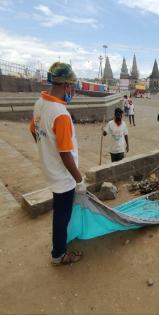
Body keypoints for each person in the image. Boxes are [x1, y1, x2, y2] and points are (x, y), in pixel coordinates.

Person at [29, 62, 85, 266]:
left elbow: (33, 130)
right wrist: (79, 179)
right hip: (63, 176)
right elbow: (65, 154)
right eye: (73, 87)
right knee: (62, 215)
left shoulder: (40, 103)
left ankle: (59, 247)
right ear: (67, 86)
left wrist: (46, 149)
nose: (74, 91)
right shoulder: (61, 114)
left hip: (50, 170)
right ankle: (59, 254)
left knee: (59, 211)